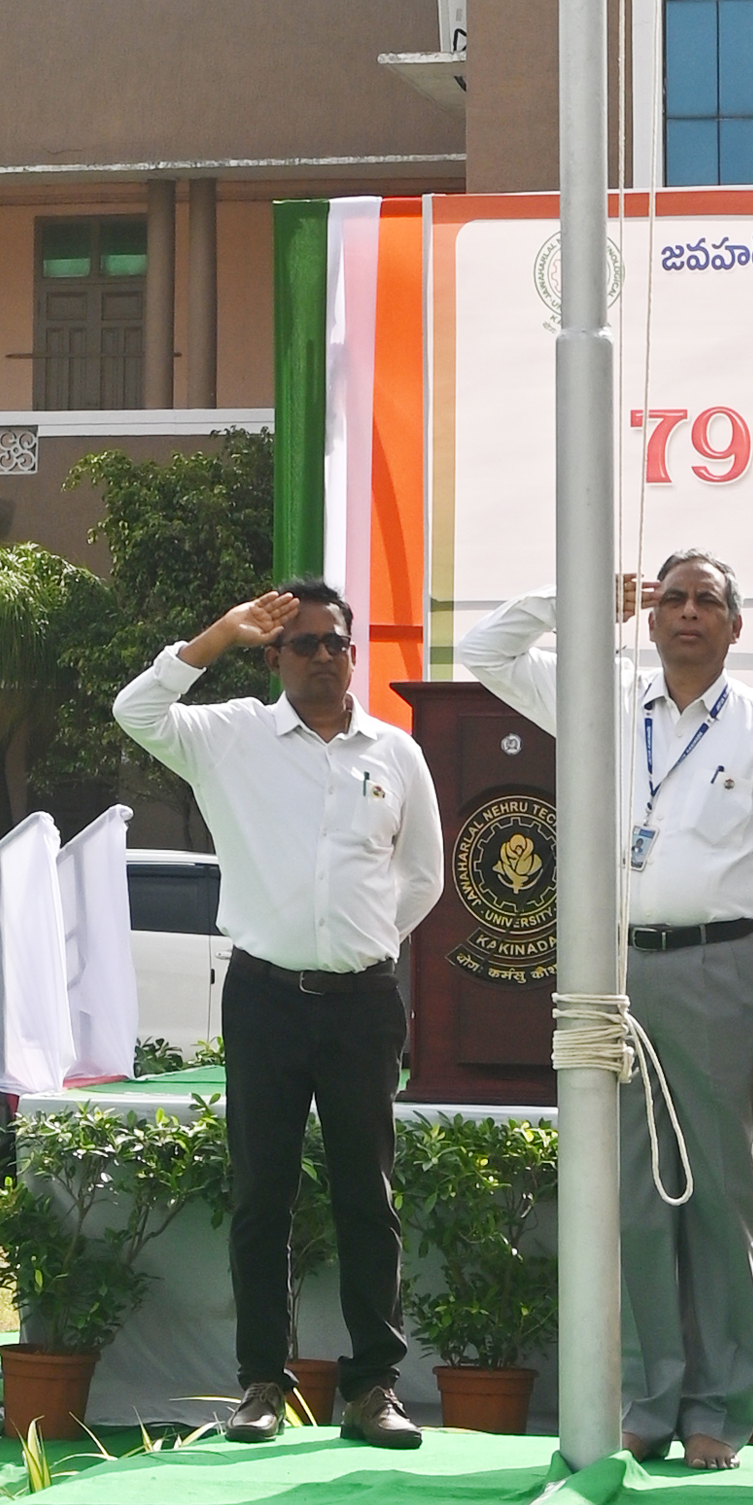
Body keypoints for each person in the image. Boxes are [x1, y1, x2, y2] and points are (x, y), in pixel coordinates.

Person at [469, 549, 753, 1466]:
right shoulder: (602, 699)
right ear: (648, 614)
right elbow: (485, 653)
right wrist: (578, 597)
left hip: (722, 970)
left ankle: (716, 1408)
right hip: (615, 971)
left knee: (717, 1197)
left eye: (708, 600)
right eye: (671, 598)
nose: (687, 614)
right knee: (631, 1200)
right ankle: (650, 1401)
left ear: (736, 626)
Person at [114, 577, 443, 1450]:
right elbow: (137, 710)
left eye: (337, 642)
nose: (326, 657)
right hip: (263, 997)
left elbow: (422, 877)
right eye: (304, 644)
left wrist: (360, 942)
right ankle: (263, 1383)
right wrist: (213, 636)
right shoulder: (232, 737)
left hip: (363, 1003)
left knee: (366, 1196)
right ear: (274, 658)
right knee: (263, 1195)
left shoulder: (394, 752)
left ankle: (375, 1388)